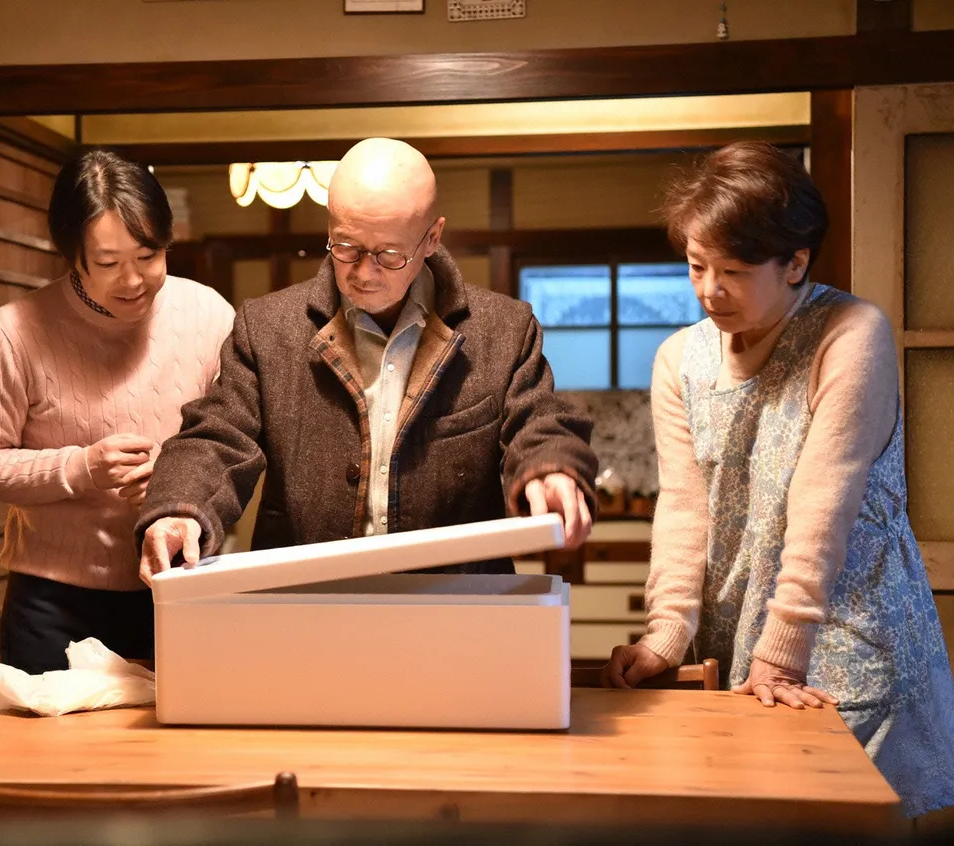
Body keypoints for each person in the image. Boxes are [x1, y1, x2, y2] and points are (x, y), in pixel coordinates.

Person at [600, 141, 954, 817]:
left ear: (795, 263)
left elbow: (824, 500)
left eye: (732, 270)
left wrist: (786, 648)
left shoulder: (849, 334)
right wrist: (667, 632)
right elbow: (683, 506)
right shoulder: (680, 359)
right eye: (696, 266)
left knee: (859, 824)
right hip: (737, 638)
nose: (709, 290)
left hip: (844, 634)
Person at [137, 137, 597, 581]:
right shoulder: (268, 327)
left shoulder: (502, 329)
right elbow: (218, 436)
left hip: (454, 604)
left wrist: (551, 467)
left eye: (389, 254)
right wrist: (181, 508)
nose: (362, 273)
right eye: (346, 247)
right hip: (305, 601)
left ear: (432, 237)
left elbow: (538, 422)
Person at [0, 148, 234, 673]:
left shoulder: (208, 315)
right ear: (71, 253)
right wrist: (80, 469)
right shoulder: (14, 331)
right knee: (51, 754)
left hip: (178, 584)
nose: (132, 280)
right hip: (54, 603)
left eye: (148, 256)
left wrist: (178, 483)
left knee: (176, 753)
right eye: (108, 263)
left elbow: (240, 444)